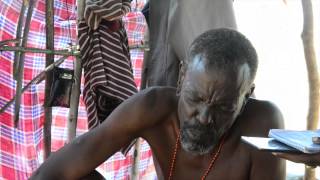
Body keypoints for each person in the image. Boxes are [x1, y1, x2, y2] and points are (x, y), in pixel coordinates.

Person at [30, 28, 285, 180]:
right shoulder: (152, 107)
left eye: (223, 107)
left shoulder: (263, 125)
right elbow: (54, 171)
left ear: (246, 96)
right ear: (182, 76)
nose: (205, 116)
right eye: (195, 99)